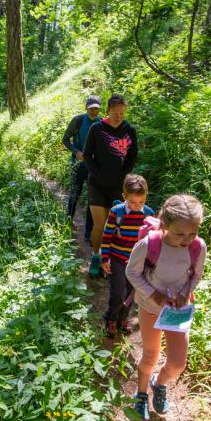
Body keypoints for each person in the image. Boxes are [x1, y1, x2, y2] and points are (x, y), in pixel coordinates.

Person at [125, 194, 207, 421]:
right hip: (151, 307)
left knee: (178, 363)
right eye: (181, 233)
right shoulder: (149, 245)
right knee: (151, 355)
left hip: (177, 311)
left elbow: (197, 274)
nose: (187, 239)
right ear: (164, 224)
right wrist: (155, 295)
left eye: (193, 233)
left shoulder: (198, 247)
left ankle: (158, 383)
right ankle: (141, 394)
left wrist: (184, 293)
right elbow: (132, 273)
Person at [83, 94, 138, 277]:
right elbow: (87, 154)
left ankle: (110, 260)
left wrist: (124, 175)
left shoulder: (129, 130)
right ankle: (96, 256)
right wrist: (95, 173)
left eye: (122, 113)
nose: (119, 116)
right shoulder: (97, 128)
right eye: (116, 113)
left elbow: (132, 157)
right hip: (97, 184)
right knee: (99, 225)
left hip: (118, 185)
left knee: (113, 225)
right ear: (108, 111)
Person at [101, 174, 154, 337]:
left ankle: (122, 319)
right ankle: (111, 318)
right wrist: (104, 258)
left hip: (137, 262)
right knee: (118, 292)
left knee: (131, 292)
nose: (137, 206)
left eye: (141, 202)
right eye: (132, 202)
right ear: (124, 197)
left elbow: (153, 240)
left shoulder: (149, 214)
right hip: (117, 258)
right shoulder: (117, 212)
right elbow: (107, 235)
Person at [62, 95, 102, 242]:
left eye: (96, 108)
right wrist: (76, 152)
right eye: (91, 108)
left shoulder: (101, 122)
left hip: (93, 167)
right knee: (75, 193)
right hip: (78, 165)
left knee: (93, 198)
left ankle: (88, 234)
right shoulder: (78, 120)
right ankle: (67, 222)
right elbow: (65, 139)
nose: (93, 111)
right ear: (86, 107)